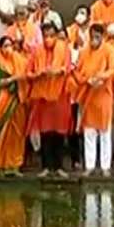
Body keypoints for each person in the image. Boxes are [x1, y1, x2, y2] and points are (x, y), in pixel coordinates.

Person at [27, 23, 73, 178]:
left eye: (51, 35)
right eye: (46, 35)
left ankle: (59, 166)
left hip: (60, 95)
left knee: (59, 132)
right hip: (42, 97)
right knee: (45, 132)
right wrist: (39, 74)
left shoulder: (64, 48)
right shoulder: (36, 50)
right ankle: (46, 166)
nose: (49, 39)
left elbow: (67, 68)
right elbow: (29, 72)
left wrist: (58, 71)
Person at [72, 24, 114, 177]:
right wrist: (87, 80)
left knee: (105, 132)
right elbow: (77, 72)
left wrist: (100, 78)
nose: (94, 40)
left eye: (98, 37)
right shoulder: (84, 52)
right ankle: (90, 166)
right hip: (87, 95)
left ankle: (105, 167)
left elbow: (113, 69)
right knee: (89, 132)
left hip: (103, 94)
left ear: (103, 37)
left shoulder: (109, 50)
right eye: (92, 36)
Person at [0, 35, 29, 178]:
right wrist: (12, 79)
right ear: (0, 48)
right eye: (5, 46)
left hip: (19, 100)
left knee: (17, 134)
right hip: (4, 100)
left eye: (10, 45)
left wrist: (20, 79)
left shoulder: (21, 61)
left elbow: (27, 77)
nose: (8, 49)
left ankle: (14, 165)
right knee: (3, 133)